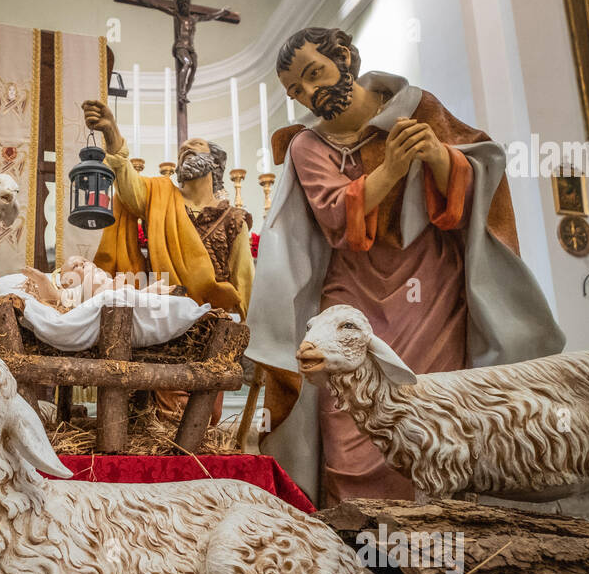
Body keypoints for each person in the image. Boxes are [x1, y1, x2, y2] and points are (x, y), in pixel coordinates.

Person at [247, 26, 564, 506]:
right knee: (347, 418)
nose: (310, 94)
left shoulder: (417, 108)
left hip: (430, 287)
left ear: (346, 57)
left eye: (315, 75)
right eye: (297, 91)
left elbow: (477, 183)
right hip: (351, 291)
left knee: (427, 405)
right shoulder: (307, 146)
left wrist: (439, 156)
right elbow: (335, 217)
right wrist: (391, 168)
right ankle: (353, 533)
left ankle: (433, 526)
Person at [81, 99, 252, 317]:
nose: (186, 148)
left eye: (196, 144)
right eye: (181, 150)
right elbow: (128, 185)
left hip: (212, 321)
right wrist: (111, 132)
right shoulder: (159, 196)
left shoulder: (233, 219)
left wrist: (241, 325)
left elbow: (243, 282)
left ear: (216, 163)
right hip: (161, 315)